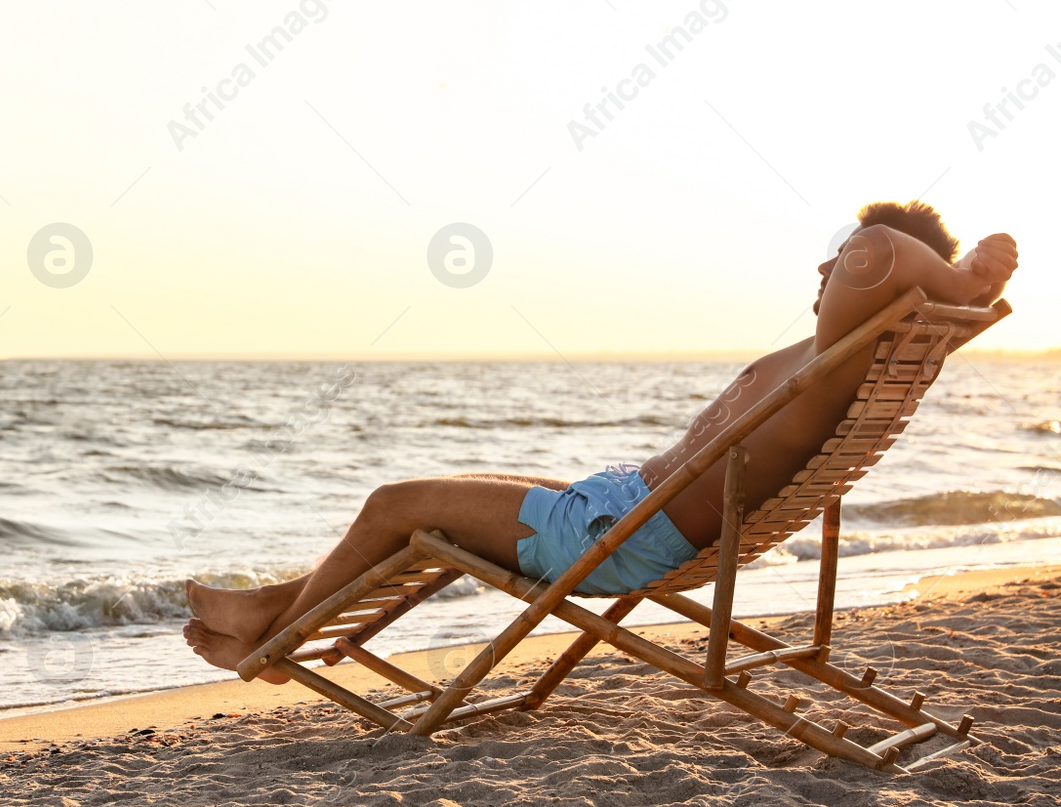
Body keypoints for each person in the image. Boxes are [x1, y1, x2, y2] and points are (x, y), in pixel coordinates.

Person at [184, 202, 1019, 683]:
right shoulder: (853, 356)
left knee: (391, 504)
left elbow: (877, 250)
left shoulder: (848, 338)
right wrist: (958, 286)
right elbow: (881, 262)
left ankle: (270, 642)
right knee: (431, 514)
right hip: (623, 514)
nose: (824, 272)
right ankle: (274, 610)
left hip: (614, 533)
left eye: (833, 263)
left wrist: (969, 276)